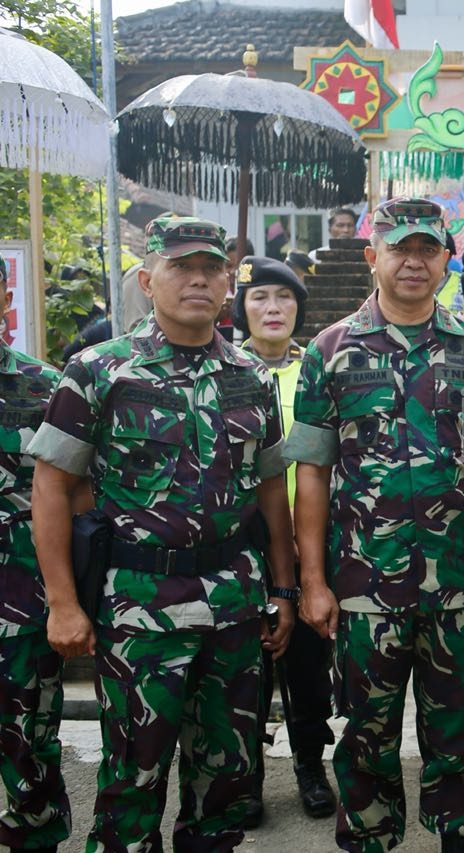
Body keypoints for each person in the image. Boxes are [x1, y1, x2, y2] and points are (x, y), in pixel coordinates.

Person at [29, 215, 298, 850]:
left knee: (227, 778)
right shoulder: (99, 371)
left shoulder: (251, 377)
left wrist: (283, 588)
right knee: (132, 776)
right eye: (181, 268)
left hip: (234, 602)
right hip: (140, 605)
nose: (198, 279)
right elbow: (51, 487)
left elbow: (270, 493)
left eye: (211, 268)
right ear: (148, 280)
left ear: (228, 283)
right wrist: (64, 606)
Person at [286, 197, 464, 853]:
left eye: (427, 249)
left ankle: (459, 837)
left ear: (447, 259)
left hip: (459, 583)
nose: (413, 261)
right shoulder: (329, 352)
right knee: (365, 732)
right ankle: (369, 838)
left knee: (460, 728)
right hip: (362, 587)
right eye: (399, 248)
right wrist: (312, 581)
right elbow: (312, 475)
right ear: (372, 257)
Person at [233, 255, 337, 826]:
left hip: (311, 545)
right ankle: (246, 777)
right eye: (259, 299)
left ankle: (309, 766)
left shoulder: (318, 369)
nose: (273, 310)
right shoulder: (226, 370)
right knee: (248, 670)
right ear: (240, 307)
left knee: (309, 669)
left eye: (285, 299)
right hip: (243, 548)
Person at [0, 256, 70, 853]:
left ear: (5, 301)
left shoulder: (44, 387)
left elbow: (75, 498)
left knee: (29, 742)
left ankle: (35, 836)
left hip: (21, 604)